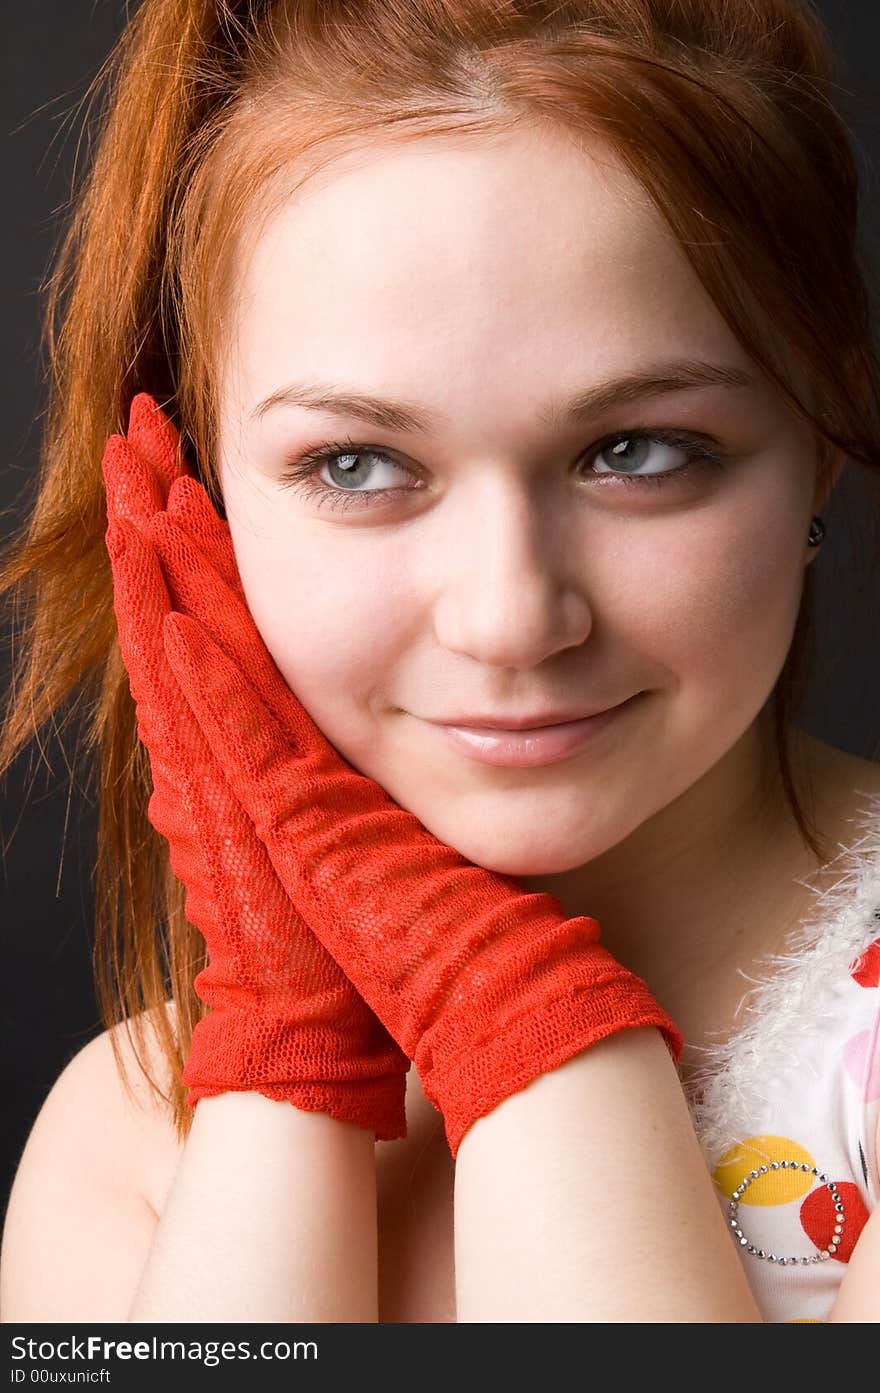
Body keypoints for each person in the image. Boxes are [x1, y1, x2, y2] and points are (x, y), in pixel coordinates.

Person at [0, 0, 879, 1325]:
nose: (512, 618)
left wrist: (505, 997)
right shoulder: (132, 1142)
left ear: (822, 427)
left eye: (637, 449)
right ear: (195, 491)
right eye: (356, 465)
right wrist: (290, 1061)